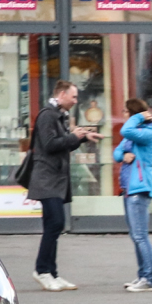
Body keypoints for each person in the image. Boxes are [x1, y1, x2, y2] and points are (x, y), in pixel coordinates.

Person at [28, 80, 100, 291]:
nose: (76, 101)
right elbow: (50, 145)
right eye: (74, 97)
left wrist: (83, 138)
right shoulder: (48, 115)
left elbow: (63, 144)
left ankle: (52, 273)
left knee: (54, 225)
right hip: (46, 178)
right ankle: (42, 270)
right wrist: (73, 136)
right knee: (56, 223)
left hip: (55, 179)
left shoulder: (59, 115)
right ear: (61, 94)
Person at [113, 98, 152, 292]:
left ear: (133, 114)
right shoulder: (135, 135)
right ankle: (143, 275)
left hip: (139, 189)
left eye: (125, 112)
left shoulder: (148, 133)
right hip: (129, 189)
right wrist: (123, 156)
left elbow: (125, 131)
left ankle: (149, 279)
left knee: (140, 236)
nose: (123, 115)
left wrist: (139, 116)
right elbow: (116, 152)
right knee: (136, 235)